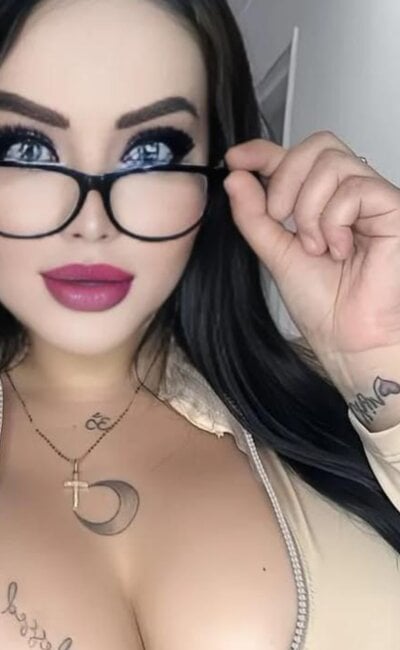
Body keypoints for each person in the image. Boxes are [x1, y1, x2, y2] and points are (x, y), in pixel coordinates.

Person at [0, 0, 398, 648]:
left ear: (216, 173)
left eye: (151, 151)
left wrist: (382, 353)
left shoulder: (343, 397)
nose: (92, 224)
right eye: (26, 148)